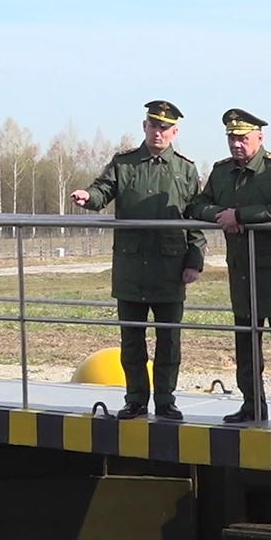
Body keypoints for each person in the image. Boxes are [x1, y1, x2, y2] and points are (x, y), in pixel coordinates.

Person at [71, 100, 206, 420]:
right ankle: (135, 399)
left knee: (168, 341)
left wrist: (194, 260)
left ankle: (165, 400)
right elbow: (103, 190)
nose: (157, 132)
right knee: (131, 341)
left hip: (170, 268)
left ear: (174, 132)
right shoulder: (125, 163)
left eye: (164, 128)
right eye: (152, 125)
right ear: (144, 127)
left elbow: (194, 218)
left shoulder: (185, 170)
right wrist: (88, 197)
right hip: (131, 268)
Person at [190, 109, 271, 428]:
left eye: (242, 138)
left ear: (259, 138)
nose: (236, 144)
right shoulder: (222, 171)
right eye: (231, 138)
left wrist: (241, 216)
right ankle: (252, 404)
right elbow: (197, 205)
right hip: (241, 269)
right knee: (245, 343)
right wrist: (221, 215)